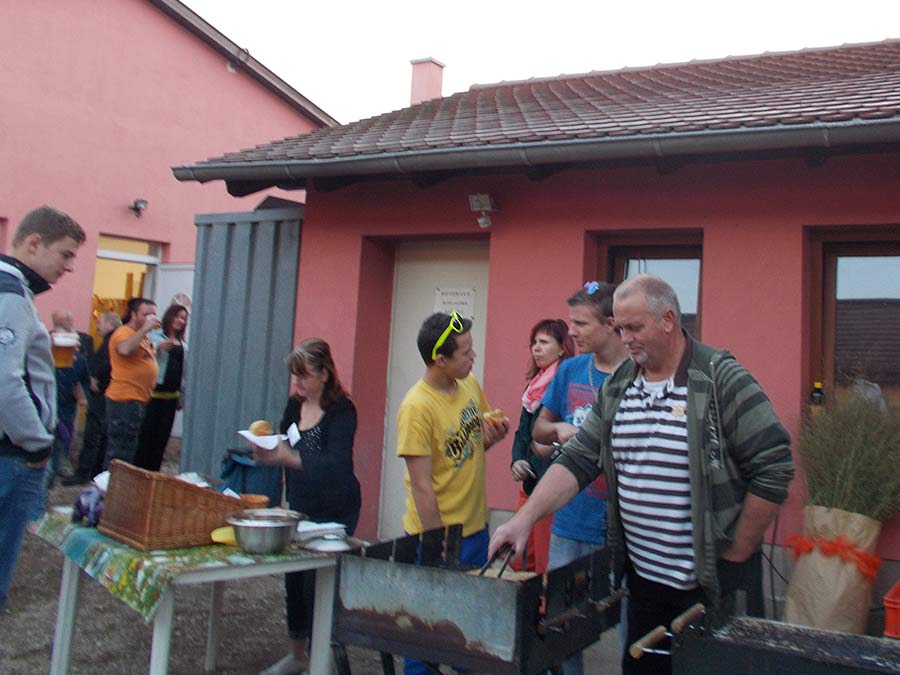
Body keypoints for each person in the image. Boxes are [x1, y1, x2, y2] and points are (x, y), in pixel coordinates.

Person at [490, 274, 795, 675]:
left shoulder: (720, 378)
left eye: (635, 327)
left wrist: (738, 549)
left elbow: (774, 465)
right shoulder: (620, 384)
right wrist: (524, 519)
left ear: (668, 319)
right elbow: (579, 458)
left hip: (708, 589)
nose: (626, 339)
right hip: (641, 585)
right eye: (620, 328)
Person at [397, 311, 510, 675]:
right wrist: (437, 545)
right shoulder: (417, 407)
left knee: (470, 633)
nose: (473, 357)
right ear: (440, 360)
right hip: (434, 536)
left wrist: (492, 437)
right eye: (465, 352)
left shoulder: (469, 385)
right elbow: (422, 485)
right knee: (426, 631)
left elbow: (470, 447)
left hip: (475, 529)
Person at [529, 282, 626, 675]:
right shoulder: (570, 370)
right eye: (571, 322)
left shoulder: (638, 374)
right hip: (569, 522)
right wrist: (559, 431)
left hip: (621, 530)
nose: (571, 331)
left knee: (630, 629)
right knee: (563, 626)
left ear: (611, 324)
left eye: (581, 323)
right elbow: (538, 431)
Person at [254, 338, 362, 675]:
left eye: (304, 376)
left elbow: (337, 464)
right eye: (295, 375)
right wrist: (268, 451)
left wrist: (289, 457)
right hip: (300, 505)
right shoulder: (294, 406)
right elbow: (285, 442)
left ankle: (322, 657)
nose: (297, 383)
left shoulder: (342, 411)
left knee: (319, 583)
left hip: (335, 508)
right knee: (295, 579)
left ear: (324, 374)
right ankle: (297, 654)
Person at [0, 205, 85, 611]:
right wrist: (36, 443)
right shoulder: (11, 294)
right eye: (65, 254)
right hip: (12, 454)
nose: (69, 267)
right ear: (34, 243)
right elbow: (4, 381)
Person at [509, 318, 574, 573]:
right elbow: (522, 432)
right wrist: (517, 460)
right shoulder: (533, 387)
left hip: (553, 487)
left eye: (544, 342)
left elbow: (577, 430)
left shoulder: (569, 384)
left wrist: (554, 442)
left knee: (547, 564)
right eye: (534, 342)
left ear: (562, 348)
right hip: (530, 482)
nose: (536, 348)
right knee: (520, 557)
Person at [65, 311, 121, 484]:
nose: (97, 326)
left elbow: (103, 364)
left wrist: (94, 376)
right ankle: (94, 471)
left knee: (93, 435)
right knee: (100, 435)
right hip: (107, 393)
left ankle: (85, 472)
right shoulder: (112, 340)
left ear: (109, 324)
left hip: (102, 394)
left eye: (100, 322)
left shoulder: (111, 341)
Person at [104, 297, 159, 468]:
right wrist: (144, 329)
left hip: (137, 399)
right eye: (145, 315)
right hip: (124, 399)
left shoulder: (144, 337)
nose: (150, 319)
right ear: (133, 314)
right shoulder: (124, 332)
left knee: (128, 448)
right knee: (120, 451)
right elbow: (125, 349)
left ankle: (118, 481)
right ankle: (111, 482)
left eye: (153, 315)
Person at [134, 304, 188, 471]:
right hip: (152, 396)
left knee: (162, 438)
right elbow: (141, 360)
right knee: (145, 436)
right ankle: (139, 471)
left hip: (171, 398)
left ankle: (154, 472)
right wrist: (156, 349)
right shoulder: (154, 337)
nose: (180, 321)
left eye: (184, 318)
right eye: (177, 316)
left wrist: (182, 398)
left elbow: (184, 374)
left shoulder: (184, 345)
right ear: (169, 317)